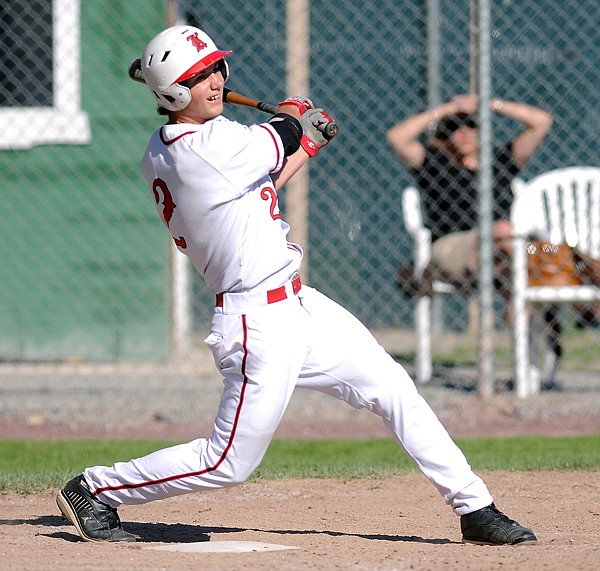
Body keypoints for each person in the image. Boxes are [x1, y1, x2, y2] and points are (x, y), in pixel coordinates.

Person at [56, 25, 537, 546]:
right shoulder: (208, 145)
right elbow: (274, 138)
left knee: (393, 387)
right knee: (228, 463)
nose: (216, 80)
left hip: (299, 304)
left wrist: (305, 141)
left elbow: (256, 185)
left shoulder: (173, 145)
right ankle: (96, 489)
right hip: (255, 321)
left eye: (217, 67)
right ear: (172, 93)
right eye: (199, 76)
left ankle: (476, 508)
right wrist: (294, 117)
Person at [387, 94, 553, 299]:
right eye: (455, 127)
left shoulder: (499, 161)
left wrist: (490, 104)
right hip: (452, 245)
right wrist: (447, 110)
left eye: (472, 125)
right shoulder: (434, 164)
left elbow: (542, 122)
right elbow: (396, 137)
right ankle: (549, 270)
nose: (464, 133)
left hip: (501, 248)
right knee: (506, 235)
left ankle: (524, 315)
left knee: (518, 257)